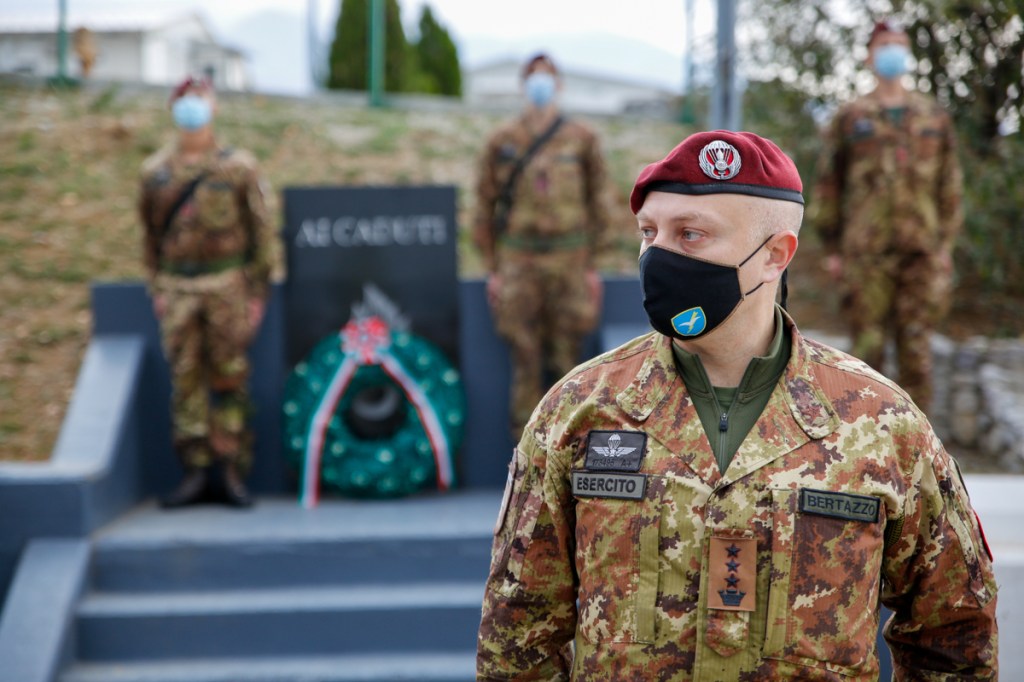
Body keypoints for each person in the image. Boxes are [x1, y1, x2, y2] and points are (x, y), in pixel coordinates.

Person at [477, 130, 998, 679]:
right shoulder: (579, 410)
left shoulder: (880, 423)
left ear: (775, 255)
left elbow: (954, 633)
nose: (657, 256)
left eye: (690, 234)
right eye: (649, 233)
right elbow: (518, 632)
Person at [139, 76, 279, 508]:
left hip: (228, 286)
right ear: (172, 109)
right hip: (178, 287)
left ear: (214, 107)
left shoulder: (237, 167)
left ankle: (231, 469)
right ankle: (194, 471)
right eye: (183, 100)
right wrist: (158, 287)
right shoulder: (156, 172)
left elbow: (261, 231)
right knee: (185, 380)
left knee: (230, 375)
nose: (191, 107)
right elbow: (150, 238)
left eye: (199, 99)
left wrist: (257, 292)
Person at [811, 19, 963, 412]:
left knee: (917, 353)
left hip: (922, 251)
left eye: (899, 44)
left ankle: (919, 442)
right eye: (884, 44)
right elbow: (829, 184)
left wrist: (944, 245)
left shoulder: (933, 116)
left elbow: (949, 184)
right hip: (866, 253)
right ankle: (867, 440)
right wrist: (832, 248)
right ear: (869, 56)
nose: (892, 51)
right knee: (866, 355)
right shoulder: (851, 117)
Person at [473, 52, 610, 440]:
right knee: (525, 358)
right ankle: (526, 454)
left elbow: (600, 202)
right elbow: (484, 205)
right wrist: (493, 269)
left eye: (546, 77)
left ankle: (569, 449)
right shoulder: (502, 141)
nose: (540, 84)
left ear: (559, 85)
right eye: (532, 77)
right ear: (522, 86)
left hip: (570, 259)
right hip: (519, 260)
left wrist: (594, 266)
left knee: (569, 359)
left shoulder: (582, 139)